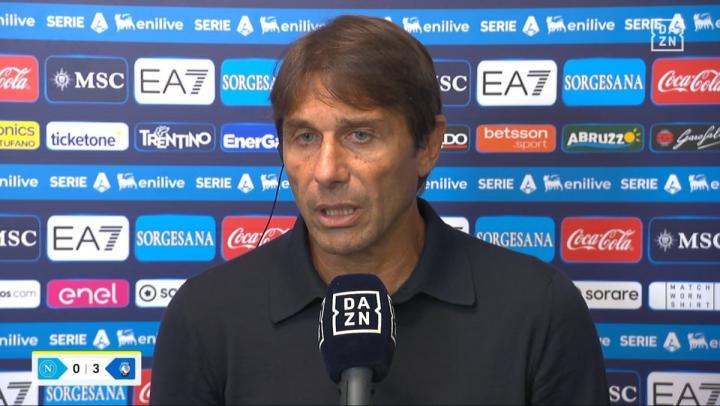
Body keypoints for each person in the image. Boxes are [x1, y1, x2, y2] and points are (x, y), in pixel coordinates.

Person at [151, 15, 609, 405]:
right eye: (305, 137)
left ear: (427, 145)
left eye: (360, 135)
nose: (326, 172)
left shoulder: (540, 312)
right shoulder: (204, 317)